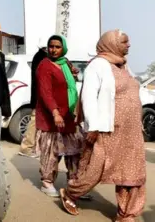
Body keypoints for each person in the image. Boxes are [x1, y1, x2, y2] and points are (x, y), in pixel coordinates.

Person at [60, 30, 146, 220]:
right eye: (125, 41)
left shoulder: (123, 66)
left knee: (131, 173)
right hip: (108, 130)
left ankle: (126, 214)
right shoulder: (98, 66)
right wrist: (93, 126)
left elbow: (132, 95)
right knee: (96, 168)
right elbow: (88, 97)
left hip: (130, 132)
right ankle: (71, 193)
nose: (129, 45)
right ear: (111, 44)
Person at [35, 35, 83, 197]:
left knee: (75, 151)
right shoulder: (44, 66)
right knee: (51, 151)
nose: (54, 50)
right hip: (51, 117)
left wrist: (72, 74)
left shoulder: (65, 64)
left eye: (57, 46)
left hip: (68, 115)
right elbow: (46, 93)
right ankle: (47, 182)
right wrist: (55, 113)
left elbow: (70, 86)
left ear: (63, 48)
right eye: (51, 46)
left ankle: (75, 184)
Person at [18, 36, 48, 158]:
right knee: (34, 122)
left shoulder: (39, 57)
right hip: (40, 97)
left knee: (38, 123)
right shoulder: (42, 58)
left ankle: (34, 147)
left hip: (40, 96)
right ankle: (26, 147)